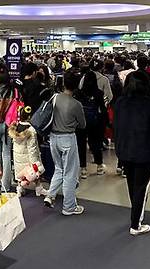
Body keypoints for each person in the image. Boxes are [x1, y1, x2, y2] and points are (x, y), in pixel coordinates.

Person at [114, 71, 150, 236]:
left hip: (125, 150)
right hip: (145, 151)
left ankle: (135, 214)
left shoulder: (120, 102)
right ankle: (136, 223)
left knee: (132, 185)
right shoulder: (149, 104)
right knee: (141, 187)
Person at [42, 68, 86, 216]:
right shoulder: (76, 104)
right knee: (70, 174)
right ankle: (69, 207)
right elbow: (83, 124)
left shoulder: (54, 98)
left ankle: (50, 195)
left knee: (59, 169)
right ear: (76, 85)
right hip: (68, 138)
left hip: (53, 138)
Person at [75, 64, 109, 179]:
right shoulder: (98, 93)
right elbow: (102, 109)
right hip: (95, 121)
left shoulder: (79, 93)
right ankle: (99, 166)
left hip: (81, 122)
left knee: (81, 144)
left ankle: (83, 169)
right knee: (96, 143)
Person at [9, 106, 47, 197]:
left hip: (18, 157)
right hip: (28, 158)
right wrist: (35, 163)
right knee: (35, 174)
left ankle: (20, 189)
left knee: (20, 174)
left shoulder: (15, 128)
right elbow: (32, 148)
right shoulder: (31, 131)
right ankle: (39, 189)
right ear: (29, 117)